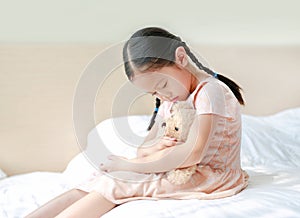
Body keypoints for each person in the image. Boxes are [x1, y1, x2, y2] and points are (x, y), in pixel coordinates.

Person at [25, 27, 249, 218]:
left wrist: (130, 165)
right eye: (153, 92)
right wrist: (155, 148)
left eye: (162, 84)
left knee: (117, 183)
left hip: (210, 176)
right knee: (100, 178)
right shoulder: (171, 98)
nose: (162, 95)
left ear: (181, 58)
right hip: (181, 169)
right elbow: (144, 148)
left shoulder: (210, 92)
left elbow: (194, 154)